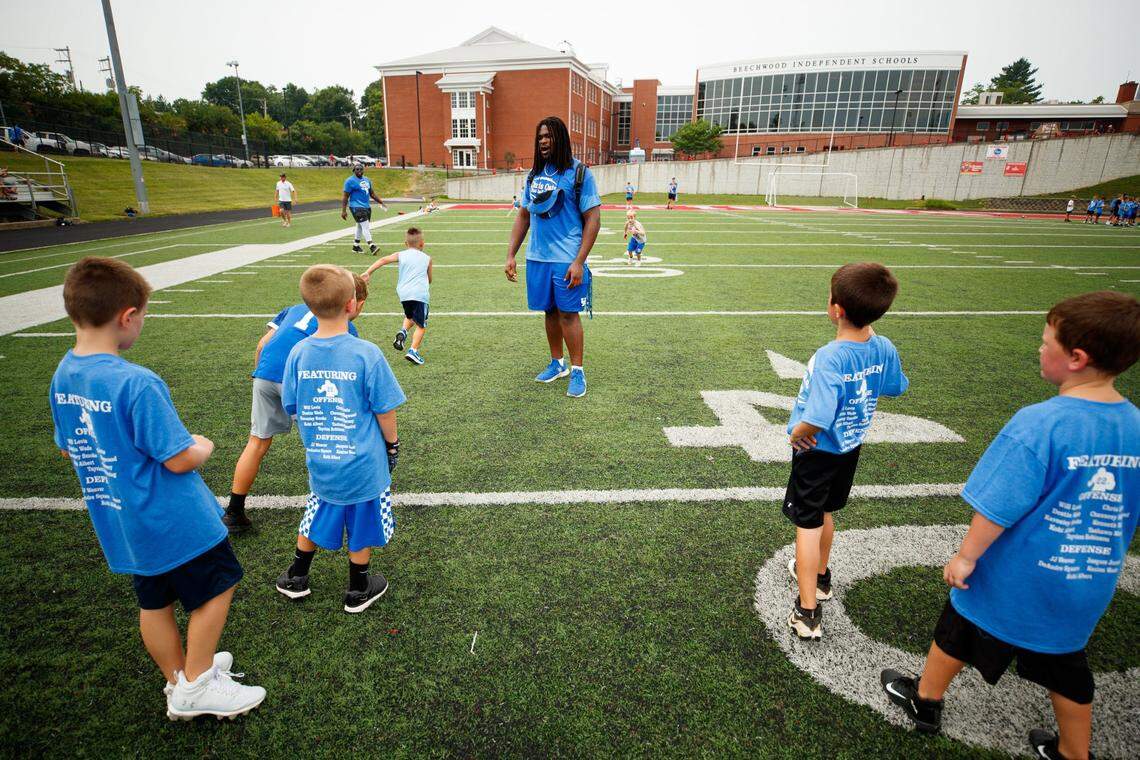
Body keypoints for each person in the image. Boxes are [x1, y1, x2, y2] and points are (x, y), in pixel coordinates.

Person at [881, 291, 1140, 760]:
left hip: (1013, 576)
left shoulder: (1039, 423)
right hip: (1088, 579)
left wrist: (966, 557)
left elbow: (997, 506)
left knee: (956, 631)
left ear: (1076, 358)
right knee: (1067, 667)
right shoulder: (1135, 425)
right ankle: (1074, 753)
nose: (1039, 349)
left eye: (1047, 343)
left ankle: (926, 701)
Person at [49, 257, 265, 719]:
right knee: (218, 587)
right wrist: (203, 444)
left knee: (154, 603)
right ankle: (199, 682)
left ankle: (179, 681)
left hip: (123, 520)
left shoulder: (63, 375)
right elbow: (179, 456)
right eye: (142, 316)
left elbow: (68, 448)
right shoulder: (135, 382)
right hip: (175, 519)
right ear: (128, 316)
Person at [784, 262, 908, 640]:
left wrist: (796, 433)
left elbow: (818, 415)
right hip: (850, 447)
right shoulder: (883, 347)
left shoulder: (831, 356)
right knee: (824, 511)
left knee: (806, 524)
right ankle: (821, 578)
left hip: (818, 451)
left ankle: (808, 612)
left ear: (836, 309)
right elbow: (896, 386)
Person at [275, 265, 406, 613]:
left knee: (318, 510)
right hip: (363, 462)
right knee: (362, 519)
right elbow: (385, 410)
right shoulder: (366, 353)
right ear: (352, 305)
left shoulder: (298, 353)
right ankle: (358, 587)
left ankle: (296, 576)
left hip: (321, 458)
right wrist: (391, 445)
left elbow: (292, 404)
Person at [222, 274, 368, 532]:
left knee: (256, 442)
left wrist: (260, 375)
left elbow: (262, 343)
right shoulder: (342, 326)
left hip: (265, 373)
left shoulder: (293, 309)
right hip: (299, 379)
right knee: (323, 442)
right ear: (354, 302)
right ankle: (332, 504)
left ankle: (233, 512)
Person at [504, 116, 601, 399]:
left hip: (566, 257)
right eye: (540, 137)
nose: (543, 141)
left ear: (561, 138)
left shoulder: (579, 173)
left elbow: (593, 218)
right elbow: (524, 214)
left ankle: (578, 370)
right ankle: (557, 363)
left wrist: (579, 261)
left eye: (548, 136)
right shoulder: (534, 175)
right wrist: (511, 254)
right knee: (549, 311)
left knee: (568, 315)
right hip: (538, 257)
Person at [362, 226, 432, 365]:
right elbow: (429, 279)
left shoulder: (401, 254)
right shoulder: (427, 258)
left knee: (410, 316)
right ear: (422, 243)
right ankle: (413, 351)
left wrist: (368, 272)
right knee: (421, 325)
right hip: (419, 293)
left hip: (403, 293)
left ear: (406, 244)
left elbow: (382, 260)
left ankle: (403, 332)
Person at [341, 162, 388, 255]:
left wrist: (381, 202)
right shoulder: (349, 181)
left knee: (360, 226)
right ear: (354, 170)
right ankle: (372, 246)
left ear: (363, 170)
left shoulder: (367, 180)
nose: (359, 171)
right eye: (357, 169)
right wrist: (343, 210)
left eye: (360, 169)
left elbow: (372, 194)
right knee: (365, 226)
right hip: (355, 206)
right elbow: (345, 196)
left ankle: (356, 246)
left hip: (366, 206)